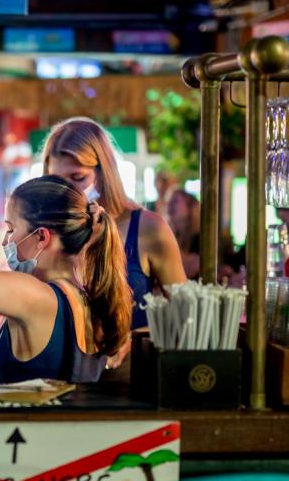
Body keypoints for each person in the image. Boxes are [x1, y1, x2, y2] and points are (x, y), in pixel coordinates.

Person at [0, 176, 132, 384]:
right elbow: (38, 387)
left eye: (11, 229)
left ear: (41, 237)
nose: (5, 240)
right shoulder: (88, 298)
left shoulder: (38, 296)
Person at [42, 117, 186, 332]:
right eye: (57, 181)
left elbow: (185, 313)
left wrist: (134, 338)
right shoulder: (44, 231)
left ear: (103, 173)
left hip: (130, 364)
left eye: (78, 178)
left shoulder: (148, 228)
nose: (67, 191)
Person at [166, 189, 201, 280]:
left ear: (190, 207)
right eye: (168, 202)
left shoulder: (200, 239)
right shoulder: (173, 236)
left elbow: (192, 267)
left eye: (174, 201)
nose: (169, 205)